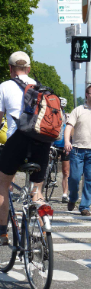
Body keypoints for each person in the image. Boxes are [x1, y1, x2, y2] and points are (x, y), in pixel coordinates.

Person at [0, 51, 51, 245]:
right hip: (42, 143)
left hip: (17, 142)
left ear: (10, 68)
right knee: (37, 192)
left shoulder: (5, 86)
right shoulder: (42, 88)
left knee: (2, 185)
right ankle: (45, 232)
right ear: (29, 68)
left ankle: (2, 233)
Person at [64, 84, 91, 216]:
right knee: (74, 178)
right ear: (87, 95)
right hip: (77, 150)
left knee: (89, 179)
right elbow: (68, 127)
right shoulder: (79, 110)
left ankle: (85, 206)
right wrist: (67, 141)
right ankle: (73, 197)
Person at [53, 97, 70, 203]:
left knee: (65, 171)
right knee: (44, 166)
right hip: (53, 143)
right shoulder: (52, 115)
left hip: (64, 145)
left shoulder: (67, 117)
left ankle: (64, 194)